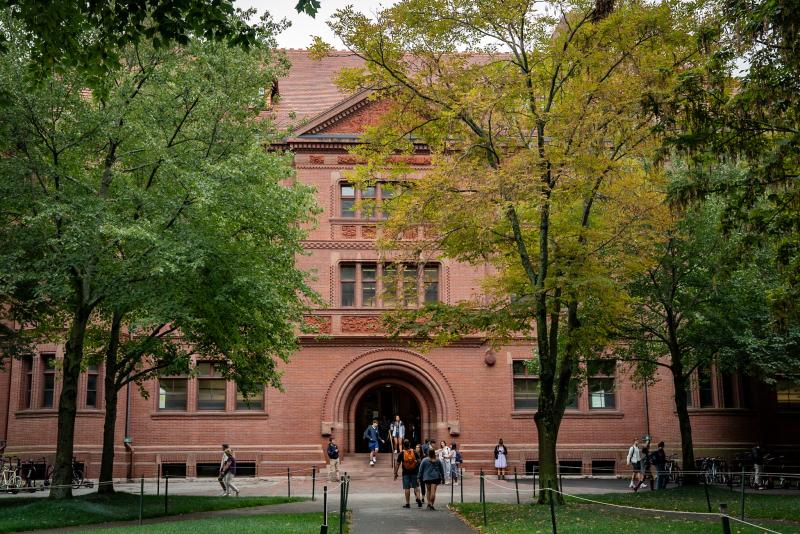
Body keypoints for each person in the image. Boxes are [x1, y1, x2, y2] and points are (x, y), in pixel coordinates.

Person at [394, 439, 423, 508]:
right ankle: (418, 498)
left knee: (407, 488)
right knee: (416, 487)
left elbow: (397, 464)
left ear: (403, 445)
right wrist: (416, 465)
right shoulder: (414, 452)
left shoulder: (401, 453)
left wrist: (395, 473)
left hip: (405, 473)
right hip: (414, 472)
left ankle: (407, 503)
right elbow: (420, 461)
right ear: (409, 444)